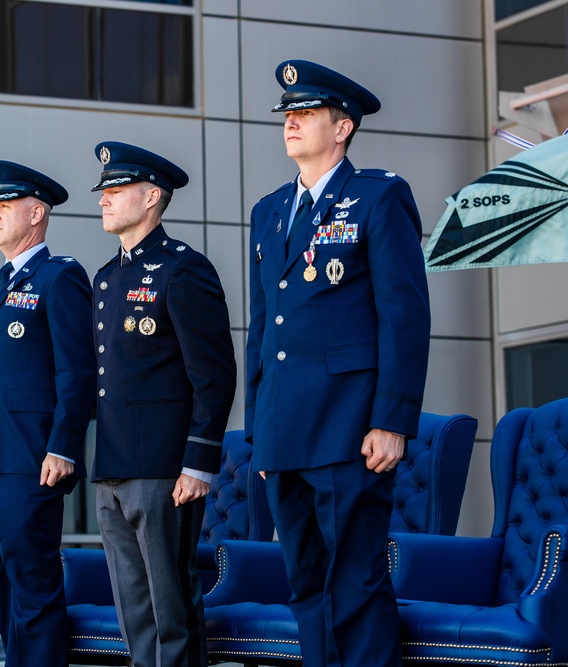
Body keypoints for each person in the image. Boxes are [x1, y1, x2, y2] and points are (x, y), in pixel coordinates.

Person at [245, 60, 431, 667]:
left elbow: (403, 314)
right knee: (305, 587)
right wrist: (260, 435)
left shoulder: (378, 196)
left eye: (306, 114)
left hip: (351, 427)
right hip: (285, 430)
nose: (291, 123)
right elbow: (261, 329)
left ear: (343, 126)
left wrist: (394, 419)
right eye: (287, 115)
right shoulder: (269, 211)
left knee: (355, 583)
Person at [89, 141, 237, 667]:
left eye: (116, 189)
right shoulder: (105, 279)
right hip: (112, 470)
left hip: (164, 471)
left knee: (171, 613)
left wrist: (198, 463)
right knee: (135, 616)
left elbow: (214, 375)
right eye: (103, 190)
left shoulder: (183, 270)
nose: (103, 199)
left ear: (152, 196)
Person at [0, 160, 96, 667]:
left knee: (34, 592)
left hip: (33, 460)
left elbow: (78, 373)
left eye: (3, 206)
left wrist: (63, 444)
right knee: (3, 592)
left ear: (36, 213)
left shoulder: (60, 278)